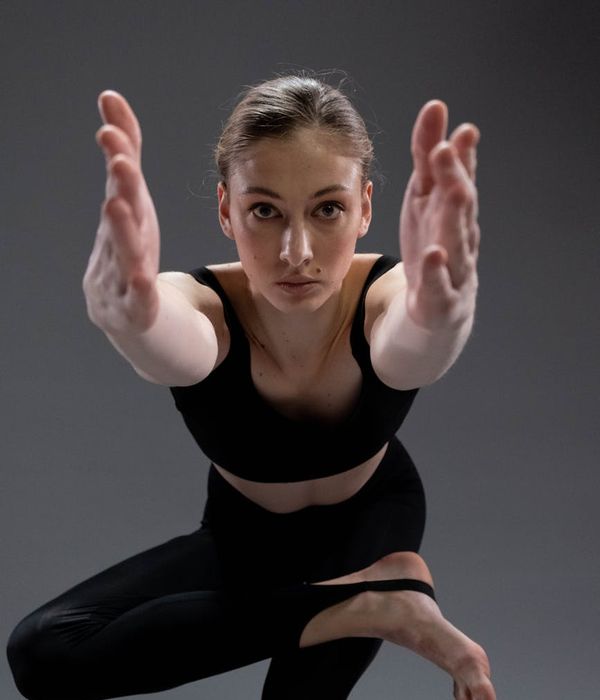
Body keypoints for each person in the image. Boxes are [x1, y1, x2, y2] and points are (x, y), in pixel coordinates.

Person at [6, 72, 496, 700]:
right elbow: (171, 343)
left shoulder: (393, 293)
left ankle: (378, 590)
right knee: (44, 651)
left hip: (374, 526)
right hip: (244, 539)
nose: (297, 252)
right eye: (264, 211)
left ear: (366, 208)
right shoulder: (201, 304)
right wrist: (134, 320)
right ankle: (377, 605)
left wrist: (441, 318)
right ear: (225, 211)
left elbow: (409, 349)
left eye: (329, 209)